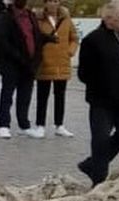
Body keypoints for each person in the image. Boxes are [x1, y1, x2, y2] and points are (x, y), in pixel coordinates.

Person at [78, 1, 119, 184]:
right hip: (102, 101)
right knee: (100, 140)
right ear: (107, 20)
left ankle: (91, 164)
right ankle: (98, 180)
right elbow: (83, 74)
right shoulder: (93, 40)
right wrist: (104, 85)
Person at [0, 0, 44, 138]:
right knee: (7, 95)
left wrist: (37, 57)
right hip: (12, 63)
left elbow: (36, 36)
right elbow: (2, 42)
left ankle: (24, 125)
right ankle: (4, 125)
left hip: (30, 64)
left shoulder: (30, 16)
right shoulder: (5, 17)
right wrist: (19, 57)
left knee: (25, 96)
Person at [35, 0, 78, 138]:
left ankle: (59, 125)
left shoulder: (66, 19)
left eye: (56, 1)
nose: (53, 4)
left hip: (62, 62)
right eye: (50, 1)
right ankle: (40, 125)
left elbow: (74, 38)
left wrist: (70, 51)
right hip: (45, 62)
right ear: (45, 3)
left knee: (60, 96)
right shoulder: (38, 19)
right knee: (42, 96)